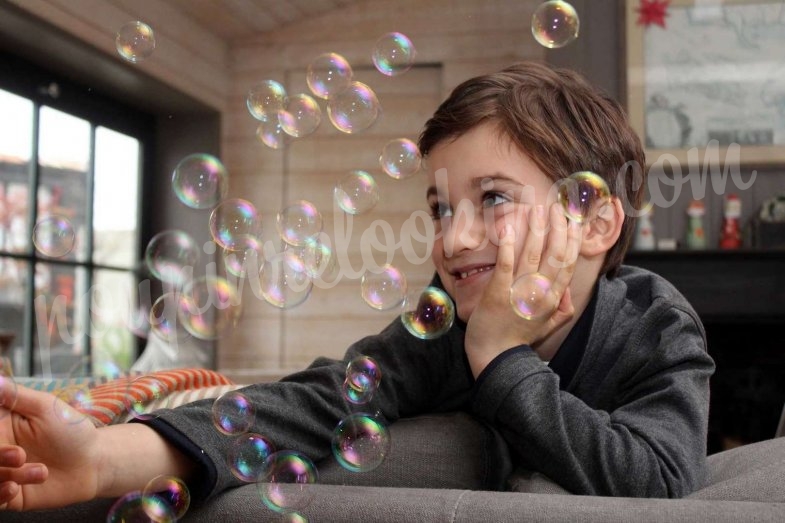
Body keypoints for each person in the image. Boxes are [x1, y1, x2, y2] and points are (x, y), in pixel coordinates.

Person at [0, 61, 714, 511]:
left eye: (491, 197)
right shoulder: (438, 330)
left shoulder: (657, 325)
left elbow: (657, 477)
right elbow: (305, 406)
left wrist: (501, 355)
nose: (453, 237)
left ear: (593, 221)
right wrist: (98, 458)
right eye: (439, 207)